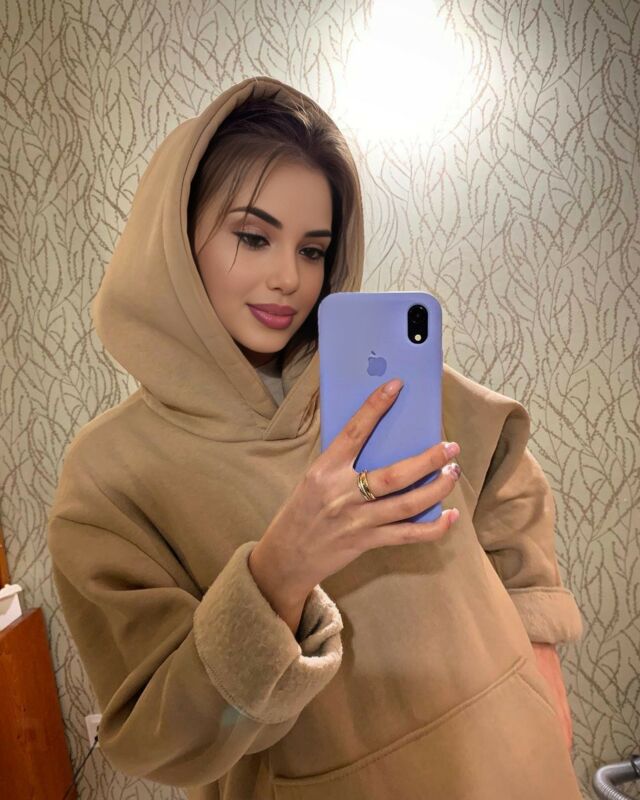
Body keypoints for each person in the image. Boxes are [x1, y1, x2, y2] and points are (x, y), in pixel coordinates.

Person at [46, 75, 585, 800]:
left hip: (520, 764)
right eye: (253, 237)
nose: (288, 279)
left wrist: (539, 662)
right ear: (172, 241)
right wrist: (278, 572)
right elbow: (158, 733)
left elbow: (505, 476)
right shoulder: (109, 475)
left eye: (312, 249)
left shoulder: (370, 376)